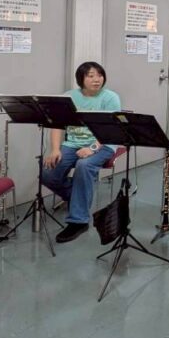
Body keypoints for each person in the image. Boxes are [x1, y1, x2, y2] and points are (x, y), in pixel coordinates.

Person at [41, 62, 120, 243]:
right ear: (81, 79)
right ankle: (77, 196)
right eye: (91, 76)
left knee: (84, 166)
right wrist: (55, 149)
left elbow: (111, 128)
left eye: (99, 75)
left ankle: (79, 221)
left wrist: (92, 148)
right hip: (72, 143)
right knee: (47, 171)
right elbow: (57, 125)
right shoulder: (69, 97)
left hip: (103, 143)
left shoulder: (110, 97)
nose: (96, 79)